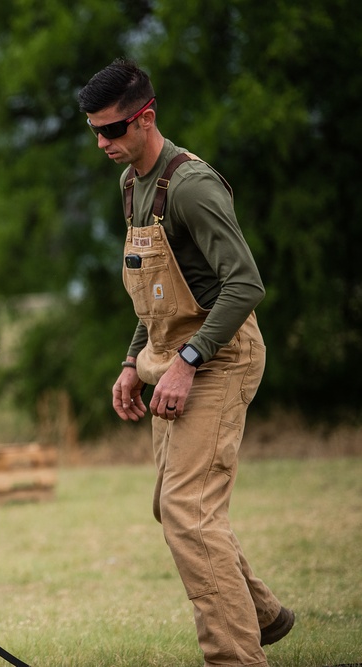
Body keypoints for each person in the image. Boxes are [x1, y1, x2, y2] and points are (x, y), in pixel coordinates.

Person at [78, 58, 294, 666]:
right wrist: (131, 361)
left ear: (145, 119)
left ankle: (235, 657)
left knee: (188, 512)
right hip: (169, 355)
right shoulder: (131, 185)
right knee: (173, 506)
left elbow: (245, 284)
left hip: (220, 357)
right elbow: (155, 288)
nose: (102, 143)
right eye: (94, 131)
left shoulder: (192, 186)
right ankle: (264, 615)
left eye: (113, 130)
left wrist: (189, 360)